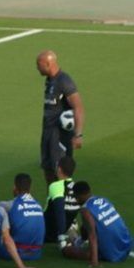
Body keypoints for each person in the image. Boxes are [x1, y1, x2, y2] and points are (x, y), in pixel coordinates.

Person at [36, 50, 84, 184]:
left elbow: (78, 107)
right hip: (48, 133)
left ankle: (64, 203)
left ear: (48, 64)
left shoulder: (64, 81)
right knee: (48, 170)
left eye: (38, 64)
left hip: (60, 137)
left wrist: (78, 135)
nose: (37, 68)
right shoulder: (50, 81)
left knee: (60, 173)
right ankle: (52, 202)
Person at [61, 181, 132, 266]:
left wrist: (94, 261)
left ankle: (68, 246)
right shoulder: (102, 199)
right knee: (87, 227)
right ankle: (78, 241)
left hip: (112, 254)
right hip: (126, 246)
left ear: (77, 197)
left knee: (67, 251)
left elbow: (92, 235)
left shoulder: (85, 210)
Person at [0, 173, 45, 261]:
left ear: (14, 187)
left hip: (14, 252)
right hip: (36, 253)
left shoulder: (9, 205)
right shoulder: (38, 205)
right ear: (30, 188)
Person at [44, 156, 79, 243]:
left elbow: (60, 212)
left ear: (59, 169)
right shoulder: (77, 188)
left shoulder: (55, 186)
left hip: (48, 233)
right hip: (65, 226)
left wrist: (61, 237)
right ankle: (71, 229)